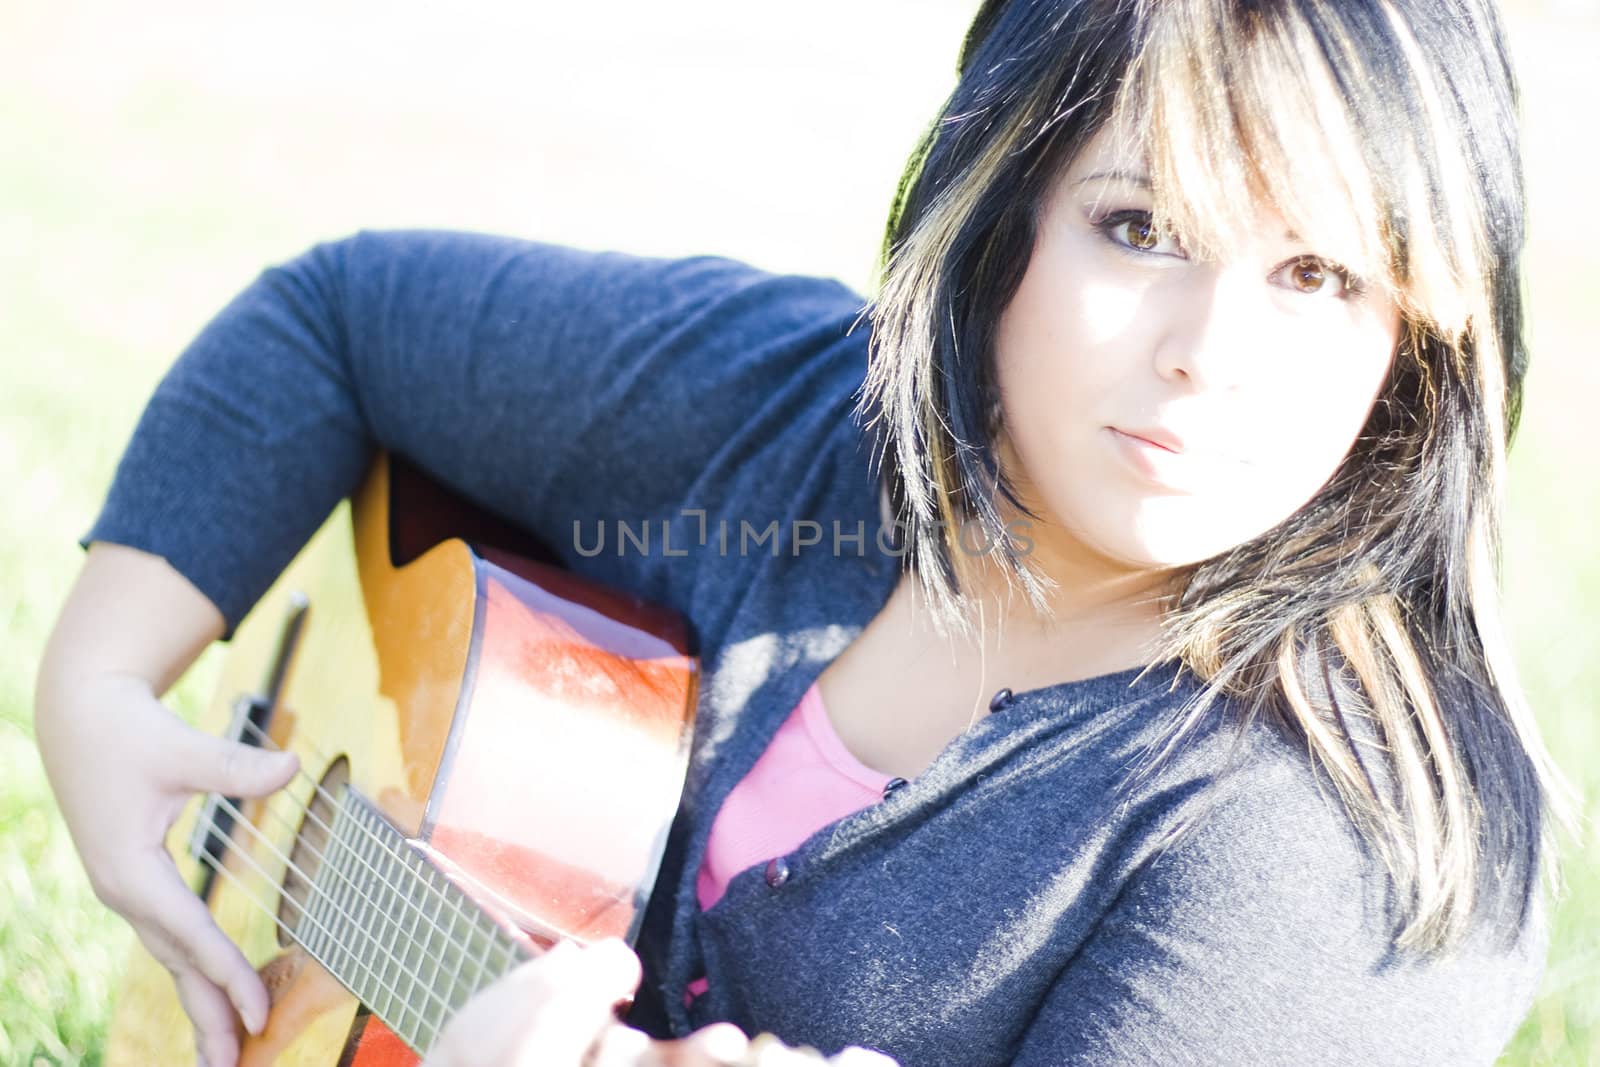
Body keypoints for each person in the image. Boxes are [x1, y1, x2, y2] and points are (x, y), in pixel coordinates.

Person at [33, 0, 1582, 1064]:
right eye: (1140, 228)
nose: (1206, 351)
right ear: (1001, 222)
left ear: (1420, 334)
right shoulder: (783, 418)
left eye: (1317, 277)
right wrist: (97, 691)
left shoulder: (1347, 865)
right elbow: (337, 321)